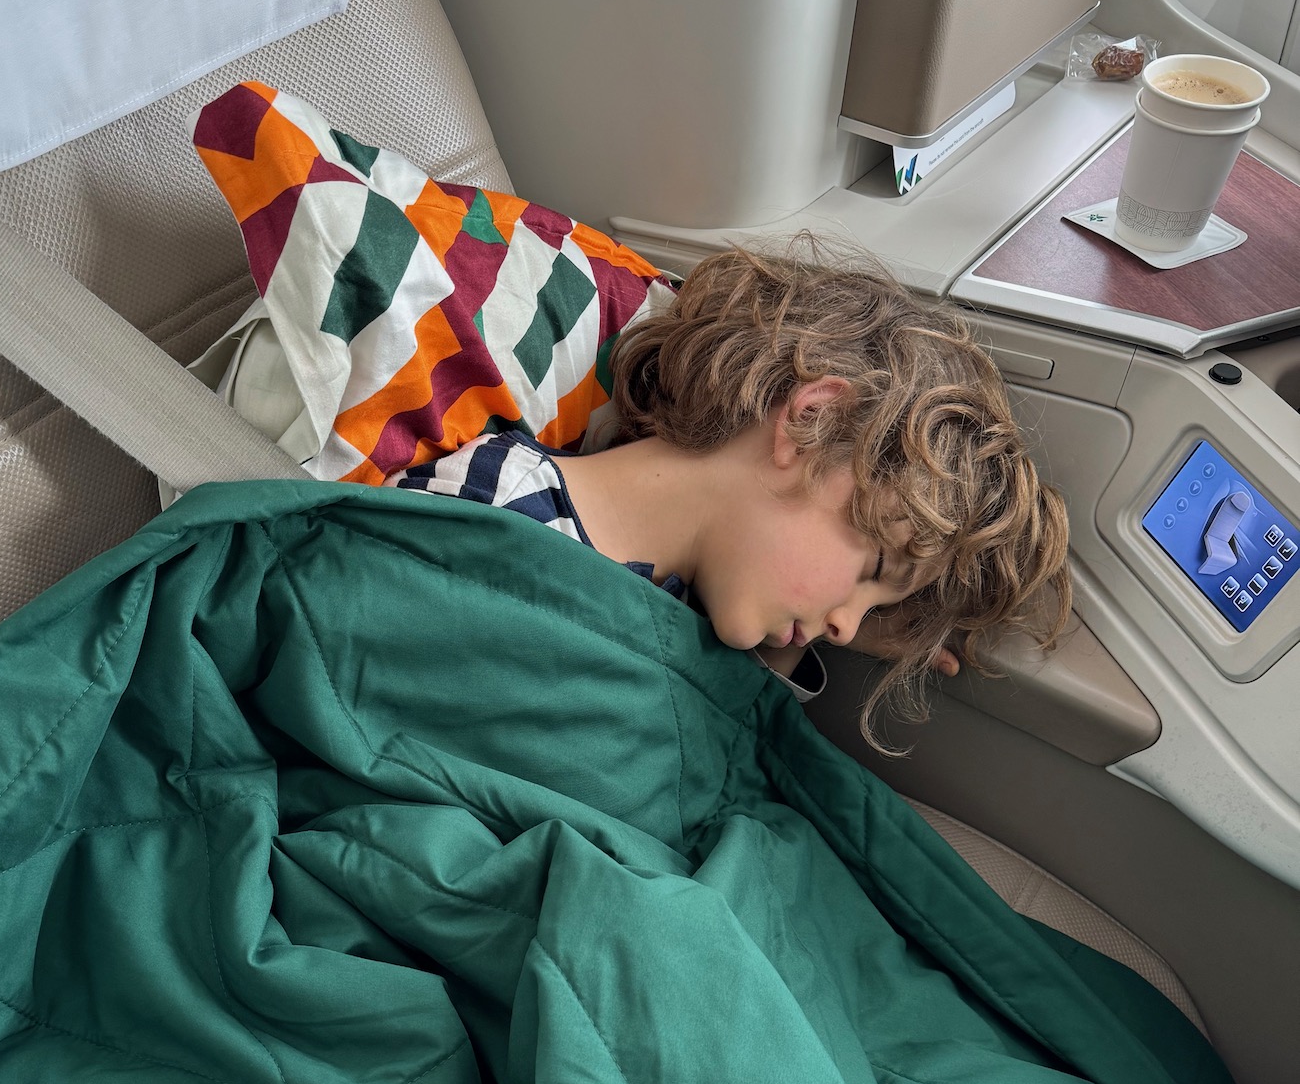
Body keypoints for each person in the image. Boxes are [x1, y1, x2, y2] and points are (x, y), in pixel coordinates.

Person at [390, 244, 1071, 743]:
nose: (846, 626)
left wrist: (848, 619)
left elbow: (719, 737)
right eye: (873, 569)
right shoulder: (497, 508)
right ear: (812, 420)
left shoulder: (702, 614)